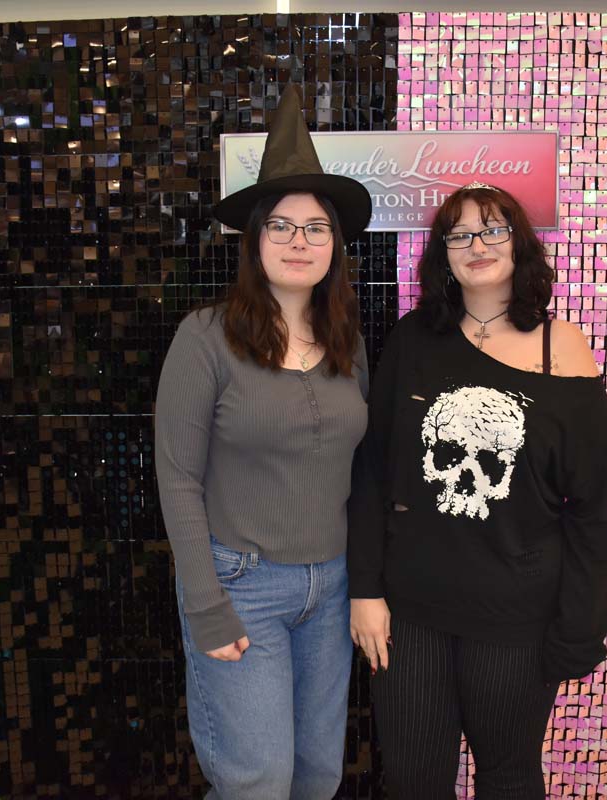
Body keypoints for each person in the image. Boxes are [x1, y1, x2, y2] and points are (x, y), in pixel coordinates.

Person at [348, 182, 607, 799]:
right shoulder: (413, 340)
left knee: (508, 777)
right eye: (460, 233)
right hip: (409, 612)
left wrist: (581, 626)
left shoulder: (564, 349)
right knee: (415, 781)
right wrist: (365, 590)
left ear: (518, 245)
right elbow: (371, 471)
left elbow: (593, 506)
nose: (477, 244)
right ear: (442, 253)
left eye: (493, 229)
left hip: (517, 619)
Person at [155, 84, 373, 800]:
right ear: (254, 242)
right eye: (280, 226)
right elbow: (179, 478)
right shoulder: (206, 337)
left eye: (315, 228)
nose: (299, 242)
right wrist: (205, 603)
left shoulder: (347, 342)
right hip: (242, 586)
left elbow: (364, 470)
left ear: (335, 246)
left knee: (316, 776)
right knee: (258, 781)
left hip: (331, 586)